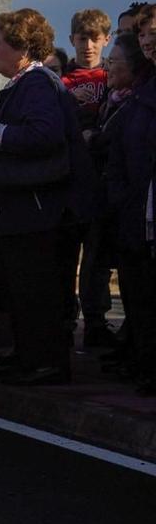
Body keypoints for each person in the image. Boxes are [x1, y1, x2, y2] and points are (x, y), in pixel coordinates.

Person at [0, 8, 88, 387]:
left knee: (37, 289)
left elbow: (44, 135)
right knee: (20, 288)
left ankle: (46, 362)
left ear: (21, 48)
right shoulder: (24, 84)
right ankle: (28, 356)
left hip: (38, 211)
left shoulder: (37, 84)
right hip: (22, 209)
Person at [97, 30, 154, 392]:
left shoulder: (141, 101)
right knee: (138, 297)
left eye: (113, 60)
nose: (107, 67)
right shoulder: (129, 102)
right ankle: (142, 361)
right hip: (133, 212)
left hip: (141, 209)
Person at [64, 8, 114, 349]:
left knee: (97, 259)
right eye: (82, 38)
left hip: (101, 183)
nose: (88, 46)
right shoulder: (61, 82)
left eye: (95, 39)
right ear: (72, 41)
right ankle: (66, 320)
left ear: (106, 41)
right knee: (66, 257)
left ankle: (96, 322)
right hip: (69, 184)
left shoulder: (114, 78)